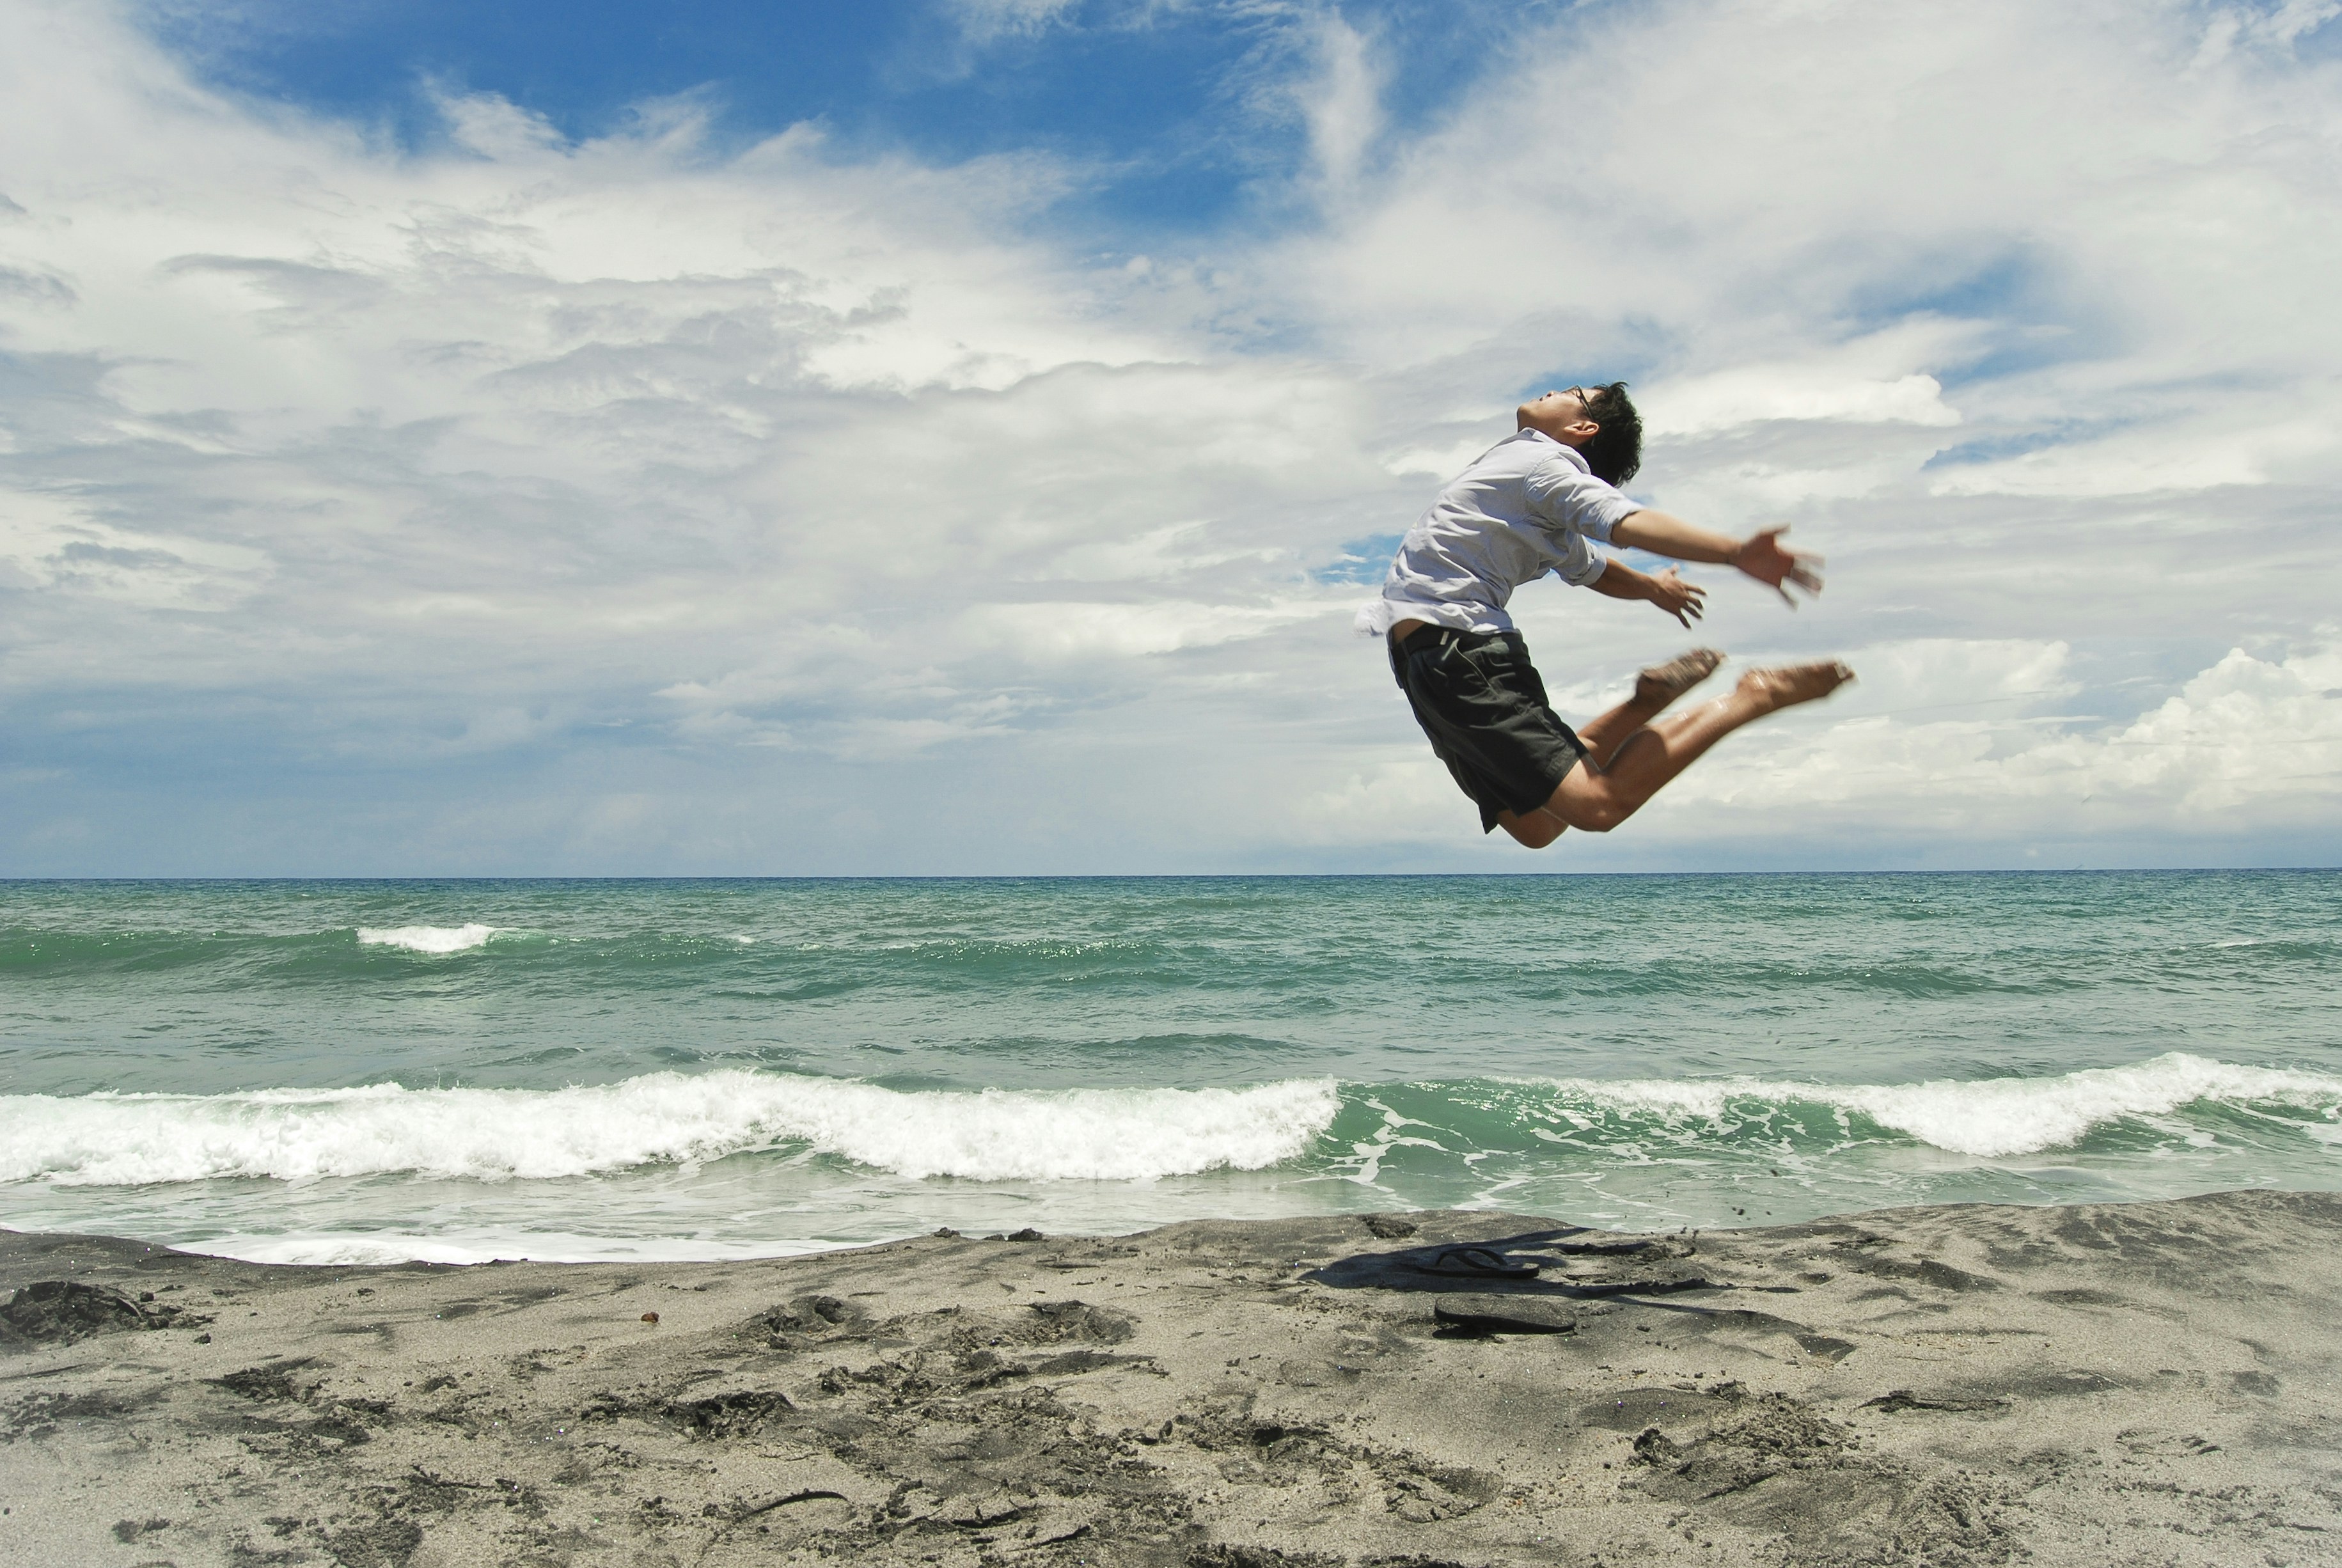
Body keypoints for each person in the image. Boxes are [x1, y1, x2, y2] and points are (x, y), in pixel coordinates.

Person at [1358, 382, 1853, 848]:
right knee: (1535, 826)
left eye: (1573, 394)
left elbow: (1624, 521)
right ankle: (1644, 703)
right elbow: (1592, 569)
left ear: (1583, 429)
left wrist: (1734, 553)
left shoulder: (1546, 465)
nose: (1553, 390)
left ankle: (1754, 696)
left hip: (1459, 652)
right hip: (1425, 661)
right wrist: (1653, 588)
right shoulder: (1525, 482)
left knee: (1598, 806)